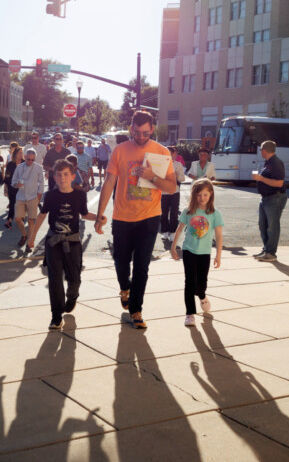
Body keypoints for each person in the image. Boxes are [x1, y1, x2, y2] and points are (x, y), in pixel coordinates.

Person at [95, 110, 175, 329]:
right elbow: (109, 183)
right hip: (122, 217)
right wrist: (100, 214)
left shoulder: (161, 152)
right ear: (131, 129)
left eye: (146, 133)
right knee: (121, 261)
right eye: (137, 132)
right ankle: (124, 288)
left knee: (141, 266)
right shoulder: (120, 151)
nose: (141, 137)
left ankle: (136, 310)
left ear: (152, 130)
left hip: (149, 218)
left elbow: (171, 186)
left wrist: (152, 176)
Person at [27, 160, 101, 330]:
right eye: (59, 175)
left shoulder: (79, 195)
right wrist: (32, 237)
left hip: (73, 242)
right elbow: (42, 215)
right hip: (53, 242)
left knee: (74, 280)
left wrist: (98, 217)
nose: (62, 178)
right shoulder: (51, 196)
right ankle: (56, 316)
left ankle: (72, 297)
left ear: (72, 176)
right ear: (54, 177)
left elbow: (83, 214)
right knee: (54, 280)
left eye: (66, 174)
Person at [171, 178, 224, 327]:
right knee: (189, 282)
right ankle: (190, 314)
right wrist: (173, 247)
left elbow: (219, 236)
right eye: (199, 195)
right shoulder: (189, 211)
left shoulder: (215, 213)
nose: (202, 198)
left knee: (201, 283)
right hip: (189, 251)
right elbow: (180, 229)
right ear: (194, 195)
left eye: (205, 195)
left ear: (211, 195)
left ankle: (202, 296)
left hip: (205, 253)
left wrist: (218, 255)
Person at [251, 140, 286, 262]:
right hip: (266, 197)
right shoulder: (268, 163)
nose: (260, 152)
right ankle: (267, 249)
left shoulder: (276, 163)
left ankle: (271, 253)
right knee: (263, 225)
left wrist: (260, 178)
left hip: (274, 197)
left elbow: (279, 183)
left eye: (261, 150)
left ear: (264, 150)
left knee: (272, 226)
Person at [12, 148, 45, 248]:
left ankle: (29, 242)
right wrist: (16, 185)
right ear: (25, 157)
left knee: (31, 220)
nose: (30, 161)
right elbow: (13, 181)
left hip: (33, 197)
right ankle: (24, 234)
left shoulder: (38, 168)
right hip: (21, 196)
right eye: (28, 159)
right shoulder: (19, 167)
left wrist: (38, 197)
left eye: (32, 159)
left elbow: (42, 183)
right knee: (17, 219)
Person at [160, 146, 187, 241]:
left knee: (174, 213)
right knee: (163, 213)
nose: (169, 156)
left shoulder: (178, 165)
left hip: (175, 191)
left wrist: (176, 175)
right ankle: (165, 231)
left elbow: (182, 179)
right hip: (163, 192)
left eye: (170, 154)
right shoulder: (161, 164)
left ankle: (172, 232)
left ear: (174, 154)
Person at [3, 146, 22, 229]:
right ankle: (9, 221)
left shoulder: (25, 163)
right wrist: (5, 189)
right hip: (12, 187)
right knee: (12, 203)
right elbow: (7, 177)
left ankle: (20, 219)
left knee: (20, 204)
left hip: (22, 188)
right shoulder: (10, 164)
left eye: (22, 153)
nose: (21, 155)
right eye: (19, 153)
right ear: (15, 154)